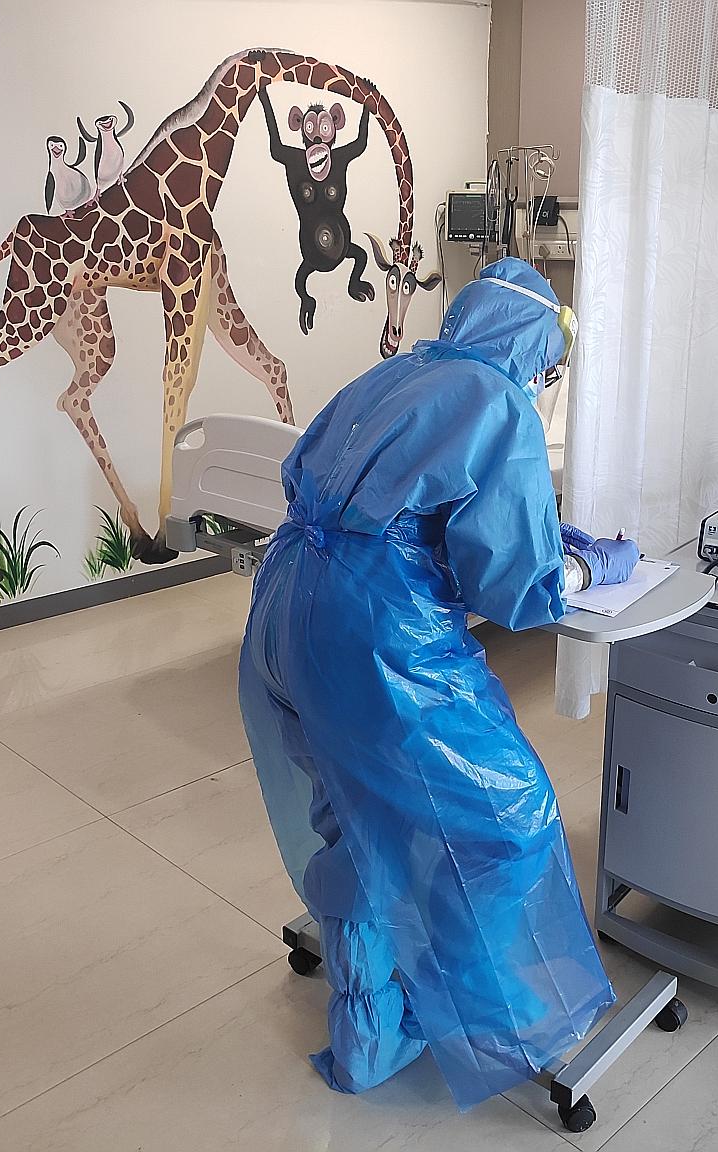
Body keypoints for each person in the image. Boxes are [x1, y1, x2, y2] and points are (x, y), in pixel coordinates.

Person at [238, 258, 637, 1108]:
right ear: (534, 344)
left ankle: (371, 1026)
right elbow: (520, 590)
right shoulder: (498, 404)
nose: (545, 378)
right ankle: (504, 1015)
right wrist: (587, 565)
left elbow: (379, 498)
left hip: (283, 605)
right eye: (549, 362)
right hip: (374, 637)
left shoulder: (398, 371)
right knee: (505, 814)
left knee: (354, 813)